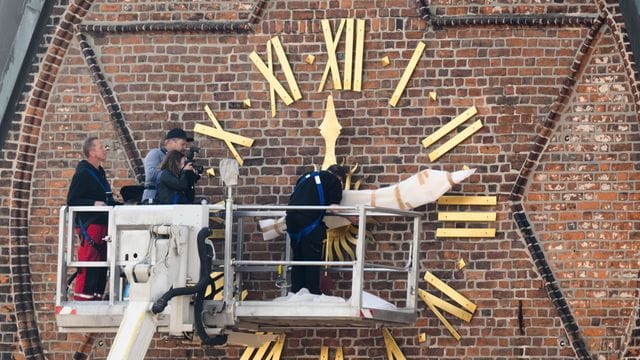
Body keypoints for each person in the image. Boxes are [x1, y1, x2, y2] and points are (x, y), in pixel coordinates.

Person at [66, 137, 117, 301]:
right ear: (92, 152)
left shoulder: (99, 173)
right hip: (91, 225)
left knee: (101, 265)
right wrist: (93, 203)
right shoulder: (83, 174)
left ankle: (96, 296)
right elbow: (72, 199)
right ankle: (83, 298)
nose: (105, 149)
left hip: (102, 224)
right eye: (101, 147)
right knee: (89, 262)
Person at [286, 164, 346, 294]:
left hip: (292, 222)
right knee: (311, 261)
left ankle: (296, 292)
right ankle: (313, 293)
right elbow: (334, 207)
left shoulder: (305, 177)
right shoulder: (334, 181)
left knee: (298, 260)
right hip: (309, 224)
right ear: (340, 178)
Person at [141, 128, 193, 204]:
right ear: (171, 142)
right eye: (182, 144)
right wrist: (179, 170)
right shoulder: (155, 154)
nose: (185, 148)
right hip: (153, 197)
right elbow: (151, 175)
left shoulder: (179, 158)